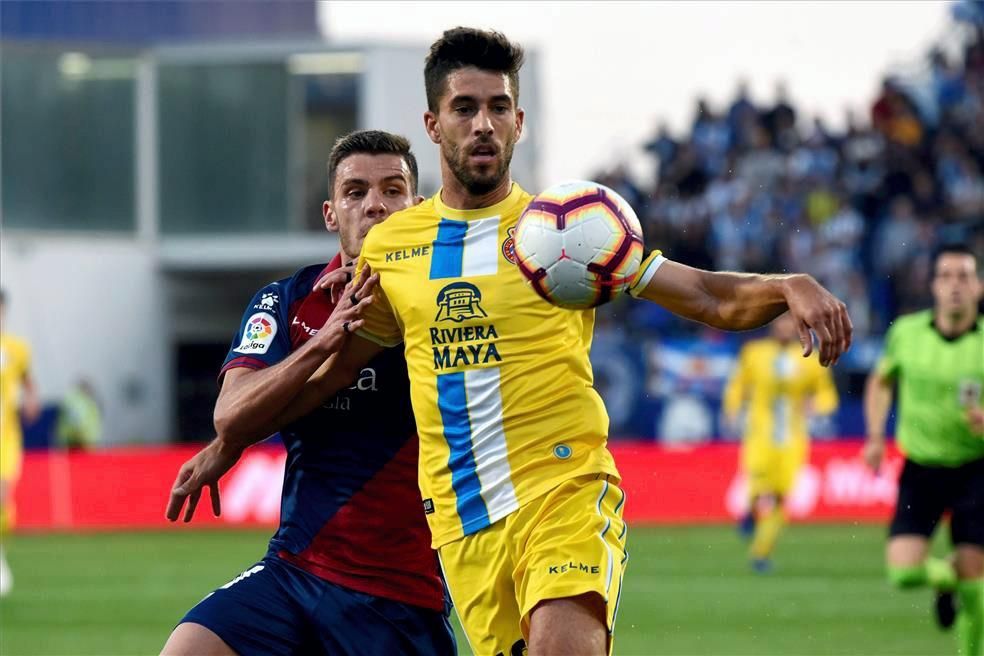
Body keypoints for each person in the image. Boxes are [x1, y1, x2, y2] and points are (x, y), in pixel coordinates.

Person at [187, 28, 851, 655]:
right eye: (465, 107)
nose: (483, 123)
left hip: (563, 491)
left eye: (499, 107)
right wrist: (229, 442)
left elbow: (704, 293)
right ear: (433, 125)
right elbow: (334, 373)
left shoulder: (570, 228)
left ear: (519, 122)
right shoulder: (394, 247)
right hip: (463, 527)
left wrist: (784, 284)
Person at [160, 131, 456, 656]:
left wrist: (229, 448)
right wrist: (322, 342)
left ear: (416, 206)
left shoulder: (445, 304)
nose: (374, 205)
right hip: (295, 572)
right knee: (188, 649)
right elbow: (231, 414)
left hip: (400, 593)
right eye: (355, 192)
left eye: (392, 190)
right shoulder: (286, 300)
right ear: (330, 212)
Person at [863, 244, 983, 656]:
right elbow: (881, 381)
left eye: (964, 276)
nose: (955, 286)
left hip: (975, 470)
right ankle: (947, 579)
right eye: (946, 276)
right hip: (922, 469)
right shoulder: (906, 333)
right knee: (904, 573)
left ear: (979, 287)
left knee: (977, 587)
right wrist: (876, 436)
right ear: (933, 285)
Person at [723, 312, 839, 572]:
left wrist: (816, 406)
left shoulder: (810, 358)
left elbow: (827, 396)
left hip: (793, 440)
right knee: (758, 485)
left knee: (780, 498)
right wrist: (732, 409)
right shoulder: (754, 353)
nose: (786, 327)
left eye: (791, 322)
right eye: (782, 321)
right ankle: (751, 512)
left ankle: (760, 554)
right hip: (759, 435)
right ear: (773, 324)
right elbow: (738, 384)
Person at [0, 288, 41, 597]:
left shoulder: (15, 349)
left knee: (2, 498)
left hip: (5, 436)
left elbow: (28, 382)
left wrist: (31, 400)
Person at [55, 379, 102, 451]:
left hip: (74, 440)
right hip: (81, 441)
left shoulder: (71, 400)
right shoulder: (82, 401)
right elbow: (77, 420)